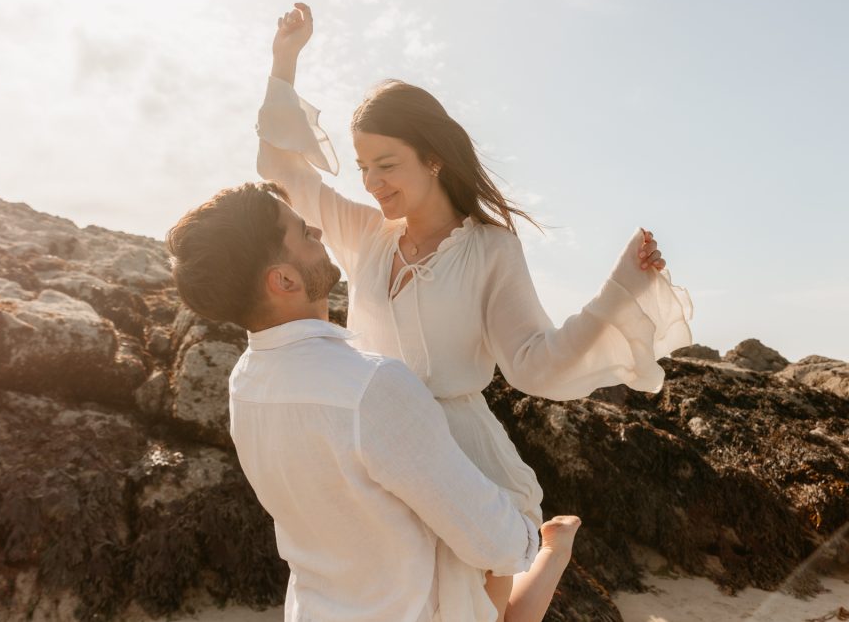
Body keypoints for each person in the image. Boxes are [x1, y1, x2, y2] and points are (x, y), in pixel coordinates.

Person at [256, 3, 694, 622]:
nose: (372, 182)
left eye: (387, 165)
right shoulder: (366, 234)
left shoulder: (491, 249)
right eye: (363, 168)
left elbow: (535, 362)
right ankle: (554, 548)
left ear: (433, 157)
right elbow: (282, 169)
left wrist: (620, 290)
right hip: (373, 451)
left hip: (459, 460)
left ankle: (552, 550)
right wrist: (285, 59)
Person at [166, 181, 584, 621]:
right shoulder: (371, 385)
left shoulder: (244, 383)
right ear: (284, 280)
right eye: (304, 232)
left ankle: (552, 548)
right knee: (507, 537)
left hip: (316, 610)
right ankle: (555, 549)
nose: (318, 231)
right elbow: (496, 544)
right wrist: (524, 533)